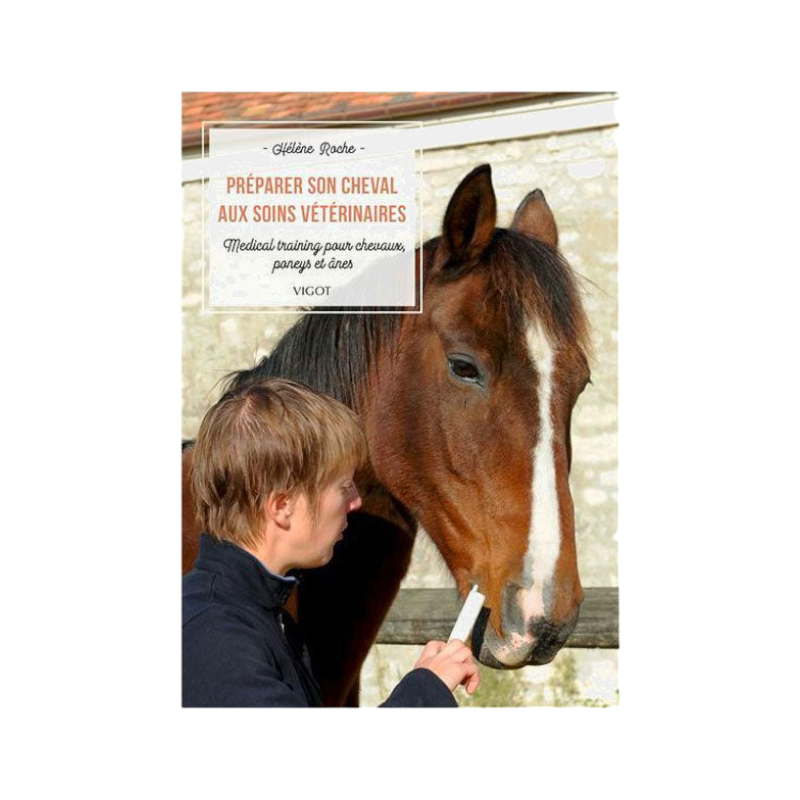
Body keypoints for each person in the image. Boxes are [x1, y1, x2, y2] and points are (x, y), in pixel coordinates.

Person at [182, 378, 480, 708]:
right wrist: (426, 690)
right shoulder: (214, 639)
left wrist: (428, 678)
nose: (355, 502)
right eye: (342, 487)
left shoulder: (257, 618)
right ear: (283, 507)